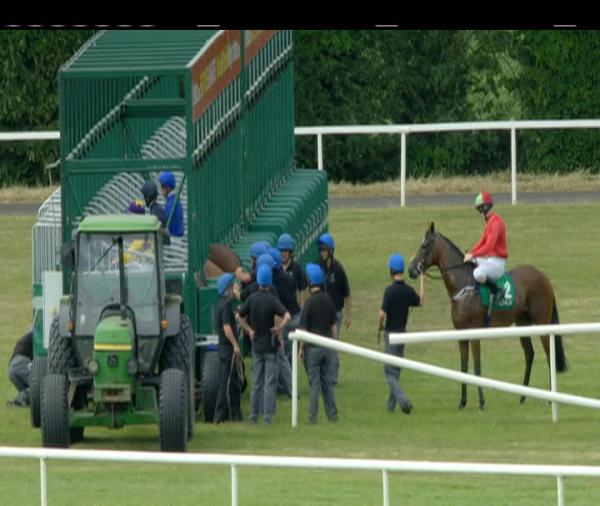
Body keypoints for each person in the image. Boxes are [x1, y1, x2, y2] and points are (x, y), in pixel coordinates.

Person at [236, 265, 291, 424]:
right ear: (269, 281)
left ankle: (253, 416)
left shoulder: (252, 299)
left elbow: (238, 316)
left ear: (258, 281)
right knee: (269, 383)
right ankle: (267, 417)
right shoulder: (273, 300)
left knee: (256, 383)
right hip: (270, 346)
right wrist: (279, 328)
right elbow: (287, 315)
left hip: (256, 346)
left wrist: (249, 330)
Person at [378, 253, 425, 415]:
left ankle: (403, 401)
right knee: (396, 371)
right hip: (403, 335)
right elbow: (421, 301)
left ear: (391, 271)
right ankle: (390, 408)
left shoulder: (389, 291)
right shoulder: (408, 290)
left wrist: (380, 326)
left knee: (389, 373)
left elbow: (381, 314)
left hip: (391, 335)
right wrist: (422, 281)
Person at [298, 263, 338, 424]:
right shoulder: (328, 300)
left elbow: (303, 329)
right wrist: (335, 344)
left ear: (309, 281)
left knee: (314, 384)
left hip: (313, 349)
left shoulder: (308, 303)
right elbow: (334, 326)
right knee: (327, 382)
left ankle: (313, 417)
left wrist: (301, 348)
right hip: (327, 346)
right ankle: (332, 415)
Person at [317, 232, 351, 386]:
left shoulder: (338, 269)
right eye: (321, 250)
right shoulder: (317, 267)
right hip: (321, 314)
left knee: (333, 345)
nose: (322, 253)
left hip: (336, 313)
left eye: (324, 250)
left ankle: (332, 378)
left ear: (331, 251)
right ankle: (323, 375)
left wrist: (349, 315)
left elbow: (347, 293)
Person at [463, 191, 508, 299]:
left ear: (486, 206)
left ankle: (498, 290)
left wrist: (473, 255)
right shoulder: (489, 222)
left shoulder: (496, 222)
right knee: (472, 263)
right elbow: (482, 242)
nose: (480, 211)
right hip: (490, 261)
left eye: (481, 208)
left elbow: (489, 246)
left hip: (498, 264)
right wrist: (471, 254)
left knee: (477, 273)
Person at [213, 273, 243, 424]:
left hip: (225, 348)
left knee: (234, 382)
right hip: (228, 349)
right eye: (231, 287)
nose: (233, 289)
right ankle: (219, 417)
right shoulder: (225, 306)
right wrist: (235, 345)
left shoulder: (221, 305)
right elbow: (226, 328)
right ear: (226, 289)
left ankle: (236, 414)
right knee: (226, 383)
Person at [268, 247, 297, 399]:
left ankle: (288, 389)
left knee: (282, 357)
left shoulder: (272, 284)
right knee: (286, 357)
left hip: (281, 321)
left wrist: (279, 329)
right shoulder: (288, 277)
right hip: (292, 316)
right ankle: (288, 388)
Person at [277, 233, 307, 359]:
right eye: (281, 251)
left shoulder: (296, 268)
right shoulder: (276, 268)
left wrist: (302, 311)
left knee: (290, 350)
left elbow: (303, 289)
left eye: (285, 251)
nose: (283, 254)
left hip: (293, 315)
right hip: (279, 316)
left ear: (290, 252)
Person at [7, 328, 33, 407]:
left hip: (11, 368)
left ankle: (22, 400)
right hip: (21, 363)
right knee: (41, 384)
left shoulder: (27, 337)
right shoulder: (38, 337)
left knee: (30, 390)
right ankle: (21, 400)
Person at [141, 180, 170, 245]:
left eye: (144, 197)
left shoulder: (156, 211)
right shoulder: (155, 208)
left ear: (148, 198)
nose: (144, 199)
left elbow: (160, 232)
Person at [159, 171, 185, 238]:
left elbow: (165, 223)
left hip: (173, 239)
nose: (161, 189)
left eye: (162, 186)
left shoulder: (170, 203)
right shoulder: (174, 200)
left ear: (168, 188)